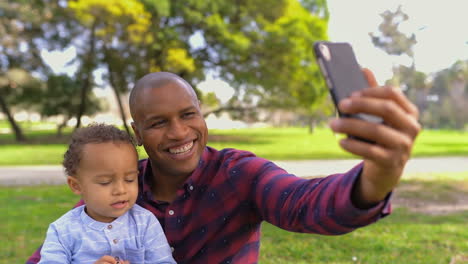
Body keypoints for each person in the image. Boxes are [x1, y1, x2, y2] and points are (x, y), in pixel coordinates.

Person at [28, 69, 420, 264]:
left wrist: (375, 179)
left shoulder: (238, 174)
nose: (180, 132)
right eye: (159, 122)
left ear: (201, 115)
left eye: (188, 115)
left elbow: (304, 203)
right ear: (137, 133)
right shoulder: (119, 191)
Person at [37, 124, 176, 264]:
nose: (121, 190)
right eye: (105, 182)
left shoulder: (144, 222)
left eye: (130, 179)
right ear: (76, 186)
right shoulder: (63, 230)